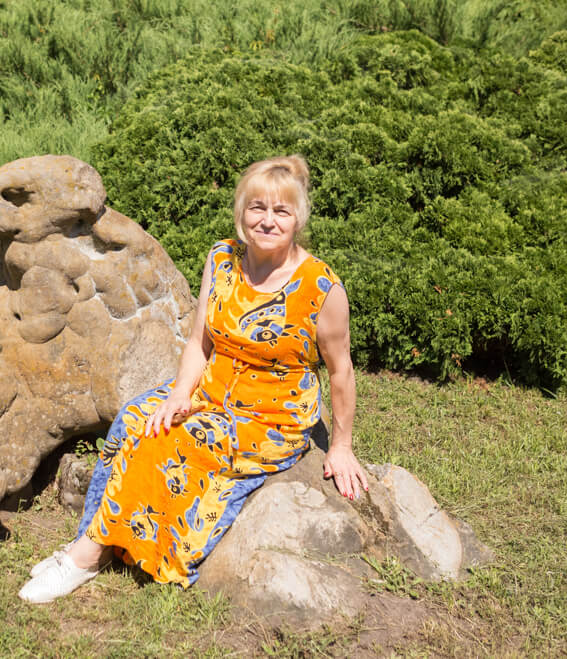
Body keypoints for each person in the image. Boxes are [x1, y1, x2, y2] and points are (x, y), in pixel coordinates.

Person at [19, 155, 368, 604]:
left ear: (298, 218)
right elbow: (200, 341)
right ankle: (99, 542)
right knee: (136, 418)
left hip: (269, 417)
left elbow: (341, 371)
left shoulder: (321, 288)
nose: (267, 220)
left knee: (172, 441)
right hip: (209, 390)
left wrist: (341, 446)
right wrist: (180, 393)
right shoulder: (222, 259)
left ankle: (83, 559)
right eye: (257, 207)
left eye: (281, 211)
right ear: (241, 211)